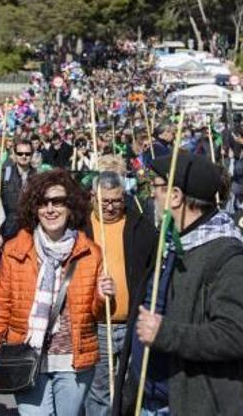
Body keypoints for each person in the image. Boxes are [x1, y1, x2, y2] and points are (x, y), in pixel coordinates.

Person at [115, 152, 243, 416]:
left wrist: (165, 333)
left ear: (176, 195)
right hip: (147, 402)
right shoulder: (171, 244)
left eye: (156, 187)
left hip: (193, 405)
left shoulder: (228, 256)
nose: (152, 196)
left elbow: (236, 336)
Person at [0, 169, 112, 416]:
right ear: (34, 209)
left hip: (73, 361)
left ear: (71, 208)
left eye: (58, 202)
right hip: (27, 356)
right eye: (43, 203)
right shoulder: (15, 250)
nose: (50, 209)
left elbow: (97, 315)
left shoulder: (91, 252)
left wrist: (102, 296)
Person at [84, 171, 157, 416]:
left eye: (117, 200)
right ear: (93, 197)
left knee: (131, 389)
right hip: (97, 325)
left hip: (131, 324)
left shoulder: (140, 226)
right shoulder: (81, 229)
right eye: (105, 201)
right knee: (100, 391)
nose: (111, 206)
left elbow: (154, 267)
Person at [0, 139, 38, 240]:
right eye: (20, 153)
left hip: (31, 230)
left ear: (32, 155)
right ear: (15, 155)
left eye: (27, 154)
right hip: (9, 230)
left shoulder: (38, 177)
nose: (24, 156)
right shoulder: (4, 175)